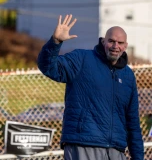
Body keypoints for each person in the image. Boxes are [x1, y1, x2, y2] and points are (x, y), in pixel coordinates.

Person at [37, 14, 144, 160]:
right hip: (83, 144)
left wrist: (138, 157)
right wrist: (55, 42)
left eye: (120, 43)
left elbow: (132, 122)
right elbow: (49, 67)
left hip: (116, 150)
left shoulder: (127, 76)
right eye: (111, 41)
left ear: (125, 46)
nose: (115, 46)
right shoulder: (82, 59)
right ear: (103, 41)